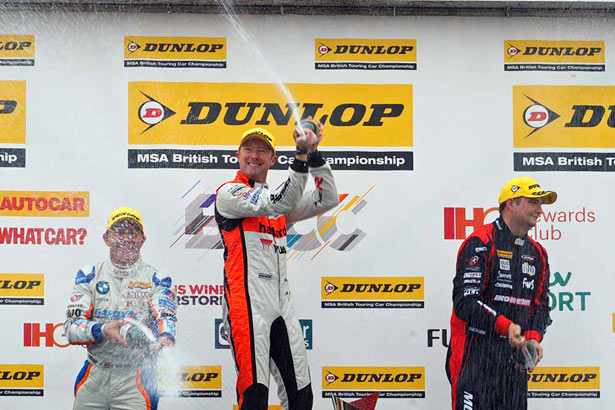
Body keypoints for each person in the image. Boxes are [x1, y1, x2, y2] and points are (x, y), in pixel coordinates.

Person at [215, 121, 338, 410]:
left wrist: (315, 154)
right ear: (237, 155)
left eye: (262, 150)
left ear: (273, 159)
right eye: (248, 149)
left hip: (282, 307)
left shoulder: (279, 205)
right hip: (248, 307)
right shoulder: (229, 193)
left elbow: (327, 198)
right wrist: (301, 155)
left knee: (301, 395)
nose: (254, 155)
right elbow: (278, 201)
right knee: (255, 395)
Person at [446, 177, 556, 410]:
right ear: (510, 204)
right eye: (533, 202)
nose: (540, 210)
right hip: (474, 353)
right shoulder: (482, 242)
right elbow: (466, 301)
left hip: (513, 361)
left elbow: (541, 305)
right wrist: (505, 326)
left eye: (541, 203)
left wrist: (534, 336)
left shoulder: (538, 253)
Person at [64, 206, 177, 410]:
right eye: (119, 232)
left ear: (142, 239)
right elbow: (72, 328)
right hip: (95, 374)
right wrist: (103, 330)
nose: (126, 238)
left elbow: (165, 317)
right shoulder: (89, 275)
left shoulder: (157, 280)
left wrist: (165, 337)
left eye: (133, 232)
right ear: (106, 238)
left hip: (137, 378)